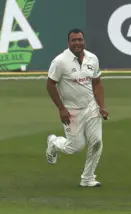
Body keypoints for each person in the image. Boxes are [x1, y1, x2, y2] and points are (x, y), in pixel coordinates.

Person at [45, 29, 109, 187]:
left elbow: (97, 82)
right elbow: (50, 84)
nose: (77, 43)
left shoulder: (92, 58)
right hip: (71, 109)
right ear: (69, 43)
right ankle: (54, 143)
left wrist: (101, 106)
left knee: (97, 142)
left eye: (80, 40)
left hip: (91, 106)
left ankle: (88, 178)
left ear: (84, 41)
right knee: (75, 147)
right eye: (74, 40)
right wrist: (61, 108)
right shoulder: (60, 61)